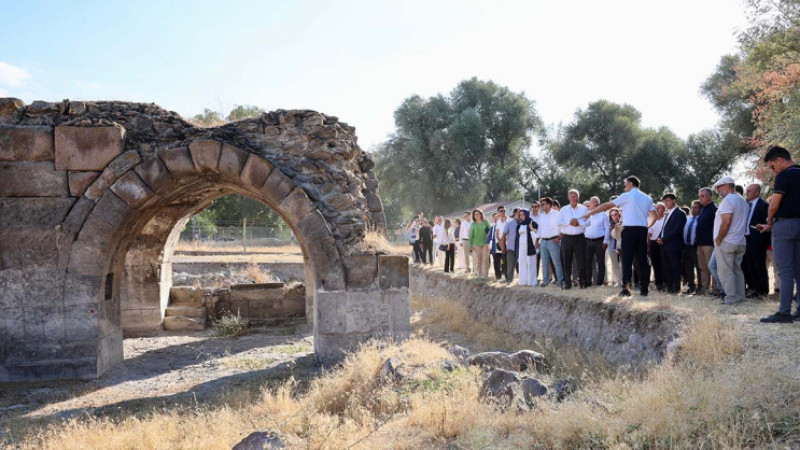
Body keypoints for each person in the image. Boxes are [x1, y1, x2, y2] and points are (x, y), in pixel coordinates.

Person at [583, 175, 656, 297]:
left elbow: (607, 205)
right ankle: (644, 289)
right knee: (642, 260)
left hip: (629, 230)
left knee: (626, 260)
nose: (624, 186)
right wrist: (647, 226)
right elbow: (654, 215)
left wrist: (590, 213)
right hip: (642, 230)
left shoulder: (626, 196)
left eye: (625, 184)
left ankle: (626, 289)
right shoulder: (647, 198)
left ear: (631, 184)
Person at [757, 146, 800, 323]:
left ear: (780, 160)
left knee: (785, 271)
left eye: (772, 166)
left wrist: (769, 221)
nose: (772, 170)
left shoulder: (784, 175)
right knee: (799, 270)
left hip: (785, 226)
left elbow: (774, 205)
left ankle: (783, 312)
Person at [713, 176, 749, 304]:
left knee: (725, 271)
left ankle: (731, 298)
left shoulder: (728, 200)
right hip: (740, 241)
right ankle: (740, 297)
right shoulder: (742, 200)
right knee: (737, 270)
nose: (718, 190)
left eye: (719, 187)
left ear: (728, 185)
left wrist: (719, 238)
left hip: (727, 241)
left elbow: (726, 222)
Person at [743, 183, 770, 297]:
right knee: (749, 265)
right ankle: (753, 288)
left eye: (749, 191)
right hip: (746, 239)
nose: (746, 192)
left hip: (758, 240)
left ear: (757, 193)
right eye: (746, 190)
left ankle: (762, 291)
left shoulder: (763, 205)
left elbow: (768, 223)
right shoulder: (746, 204)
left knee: (759, 265)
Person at [656, 193, 687, 294]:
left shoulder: (680, 213)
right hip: (664, 245)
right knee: (666, 267)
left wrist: (664, 238)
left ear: (674, 200)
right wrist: (660, 237)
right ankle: (669, 287)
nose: (666, 203)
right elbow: (664, 228)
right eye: (664, 201)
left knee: (675, 266)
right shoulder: (667, 214)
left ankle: (676, 288)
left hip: (674, 245)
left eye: (668, 200)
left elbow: (677, 230)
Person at [558, 189, 589, 289]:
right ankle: (567, 283)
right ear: (568, 198)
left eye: (576, 196)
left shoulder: (584, 209)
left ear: (578, 197)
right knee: (566, 262)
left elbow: (588, 222)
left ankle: (582, 282)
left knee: (581, 261)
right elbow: (559, 222)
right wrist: (570, 222)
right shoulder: (563, 209)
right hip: (567, 238)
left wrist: (578, 223)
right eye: (572, 196)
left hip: (580, 238)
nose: (574, 198)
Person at [695, 187, 718, 295]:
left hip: (709, 244)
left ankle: (715, 290)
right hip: (700, 243)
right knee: (702, 268)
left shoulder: (714, 209)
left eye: (703, 196)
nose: (700, 198)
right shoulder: (702, 209)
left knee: (712, 268)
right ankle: (704, 289)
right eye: (700, 196)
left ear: (710, 196)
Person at [537, 197, 563, 287]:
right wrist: (538, 241)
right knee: (544, 263)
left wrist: (559, 237)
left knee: (557, 262)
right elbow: (540, 229)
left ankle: (560, 280)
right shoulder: (541, 216)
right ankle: (545, 280)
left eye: (543, 204)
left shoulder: (557, 214)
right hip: (543, 241)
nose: (541, 206)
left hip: (554, 240)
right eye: (541, 205)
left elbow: (562, 227)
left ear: (548, 205)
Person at [584, 196, 609, 286]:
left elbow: (607, 228)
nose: (595, 203)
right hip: (588, 242)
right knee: (588, 262)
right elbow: (584, 225)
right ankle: (588, 282)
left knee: (600, 262)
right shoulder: (588, 215)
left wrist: (605, 241)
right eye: (593, 202)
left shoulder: (603, 214)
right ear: (590, 204)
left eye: (597, 202)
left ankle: (600, 282)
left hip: (600, 242)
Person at [681, 201, 702, 294]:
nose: (694, 209)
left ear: (700, 209)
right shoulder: (688, 218)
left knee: (699, 267)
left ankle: (700, 286)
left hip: (696, 247)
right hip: (686, 246)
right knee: (687, 267)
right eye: (692, 207)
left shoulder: (701, 219)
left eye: (696, 207)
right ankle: (691, 286)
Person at [517, 209, 539, 286]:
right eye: (520, 215)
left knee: (531, 263)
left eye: (523, 214)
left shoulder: (531, 222)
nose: (521, 216)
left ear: (526, 215)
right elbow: (518, 236)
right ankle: (523, 281)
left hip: (530, 247)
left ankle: (532, 282)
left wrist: (532, 229)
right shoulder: (519, 225)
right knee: (522, 264)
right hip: (521, 247)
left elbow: (537, 232)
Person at [647, 202, 666, 292]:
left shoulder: (665, 219)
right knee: (655, 264)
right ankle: (658, 284)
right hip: (654, 244)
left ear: (663, 209)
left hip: (662, 243)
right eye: (656, 208)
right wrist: (648, 247)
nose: (657, 210)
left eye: (659, 208)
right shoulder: (653, 220)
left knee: (663, 264)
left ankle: (665, 283)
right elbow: (649, 235)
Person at [469, 209, 491, 277]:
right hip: (476, 244)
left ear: (481, 214)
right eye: (475, 214)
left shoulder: (485, 222)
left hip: (485, 243)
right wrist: (470, 245)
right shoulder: (473, 224)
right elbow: (471, 235)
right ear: (474, 216)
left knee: (485, 260)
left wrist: (488, 234)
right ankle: (479, 275)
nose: (477, 215)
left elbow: (491, 230)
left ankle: (485, 275)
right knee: (478, 260)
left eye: (478, 214)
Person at [502, 208, 521, 283]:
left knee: (521, 265)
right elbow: (504, 235)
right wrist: (503, 247)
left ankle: (521, 280)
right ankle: (509, 279)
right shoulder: (509, 223)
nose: (520, 214)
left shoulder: (523, 223)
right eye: (519, 212)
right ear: (515, 213)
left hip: (521, 248)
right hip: (511, 247)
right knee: (511, 264)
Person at [606, 208, 623, 286]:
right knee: (615, 265)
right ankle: (618, 281)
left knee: (623, 264)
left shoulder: (623, 223)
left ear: (619, 214)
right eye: (612, 215)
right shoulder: (608, 224)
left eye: (615, 214)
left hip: (622, 247)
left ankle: (624, 281)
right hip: (612, 247)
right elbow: (607, 237)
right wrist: (610, 230)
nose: (614, 216)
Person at [494, 206, 508, 279]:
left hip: (508, 243)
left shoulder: (509, 220)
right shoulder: (498, 222)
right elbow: (497, 233)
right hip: (500, 244)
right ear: (498, 212)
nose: (503, 212)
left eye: (504, 210)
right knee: (502, 260)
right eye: (501, 211)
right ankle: (502, 276)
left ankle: (507, 275)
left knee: (507, 260)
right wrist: (500, 242)